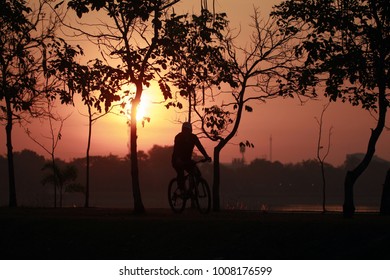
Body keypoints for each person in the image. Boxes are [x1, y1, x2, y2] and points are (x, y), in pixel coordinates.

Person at [172, 122, 211, 192]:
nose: (186, 132)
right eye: (184, 130)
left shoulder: (193, 137)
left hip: (187, 160)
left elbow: (200, 147)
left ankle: (191, 191)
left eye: (187, 130)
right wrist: (178, 159)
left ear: (190, 131)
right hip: (176, 160)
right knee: (181, 174)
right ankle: (182, 191)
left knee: (198, 175)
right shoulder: (178, 137)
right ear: (182, 130)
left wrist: (206, 156)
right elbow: (176, 149)